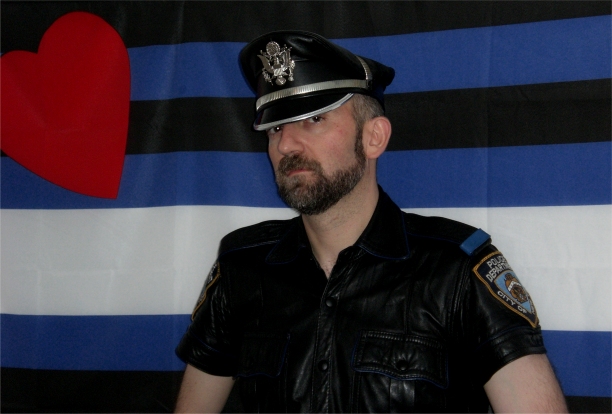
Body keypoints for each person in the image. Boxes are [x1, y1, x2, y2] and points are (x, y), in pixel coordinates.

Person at [175, 30, 567, 413]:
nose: (285, 144)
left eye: (314, 119)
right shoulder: (242, 268)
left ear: (374, 137)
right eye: (275, 127)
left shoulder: (456, 271)